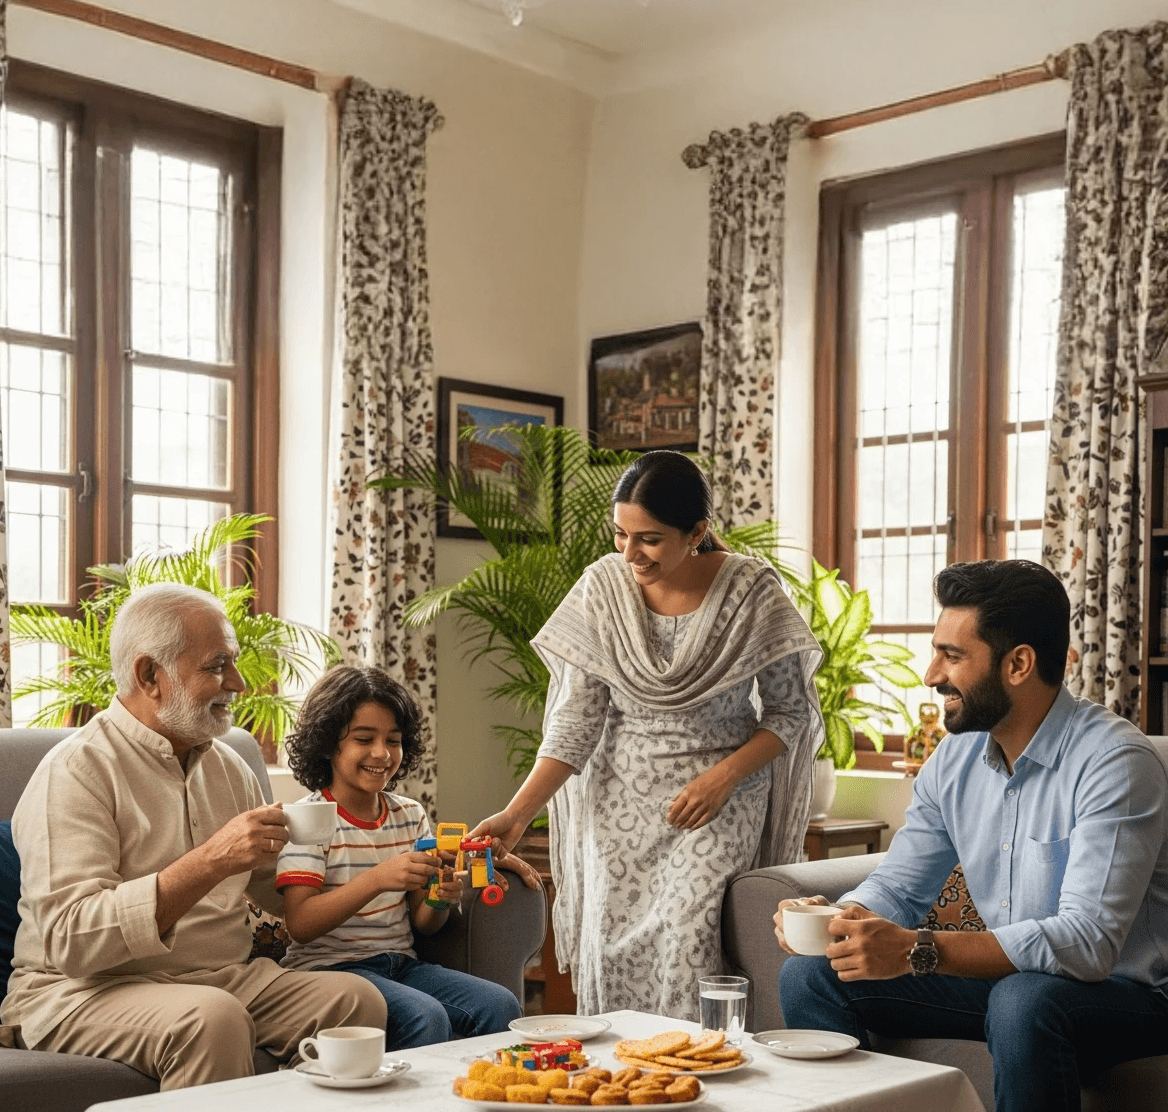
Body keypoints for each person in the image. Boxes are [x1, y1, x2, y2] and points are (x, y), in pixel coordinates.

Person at [777, 559, 1168, 1112]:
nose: (931, 675)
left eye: (953, 656)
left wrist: (917, 949)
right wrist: (841, 921)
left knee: (1024, 1001)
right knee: (811, 974)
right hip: (1019, 984)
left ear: (1018, 664)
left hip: (1133, 996)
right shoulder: (955, 758)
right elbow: (900, 886)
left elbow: (1087, 943)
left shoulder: (1115, 762)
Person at [468, 451, 823, 1018]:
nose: (630, 553)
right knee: (612, 952)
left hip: (716, 800)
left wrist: (724, 778)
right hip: (618, 799)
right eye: (621, 534)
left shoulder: (751, 591)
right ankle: (619, 1070)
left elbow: (789, 713)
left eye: (649, 539)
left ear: (696, 533)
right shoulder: (601, 589)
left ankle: (695, 1064)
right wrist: (516, 815)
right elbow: (577, 722)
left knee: (688, 937)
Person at [1, 584, 386, 1090]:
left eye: (234, 663)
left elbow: (280, 891)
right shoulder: (76, 772)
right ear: (149, 675)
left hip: (219, 978)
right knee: (211, 1017)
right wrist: (211, 861)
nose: (239, 683)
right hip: (83, 989)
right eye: (217, 665)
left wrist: (396, 870)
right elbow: (71, 942)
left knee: (355, 1000)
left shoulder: (228, 767)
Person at [277, 665, 541, 1046]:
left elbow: (425, 923)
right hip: (329, 972)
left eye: (394, 740)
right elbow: (300, 923)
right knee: (425, 1016)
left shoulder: (409, 815)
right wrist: (378, 879)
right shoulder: (309, 819)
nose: (382, 753)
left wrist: (439, 897)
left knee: (501, 1005)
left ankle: (489, 1084)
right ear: (328, 743)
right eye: (364, 739)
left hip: (401, 964)